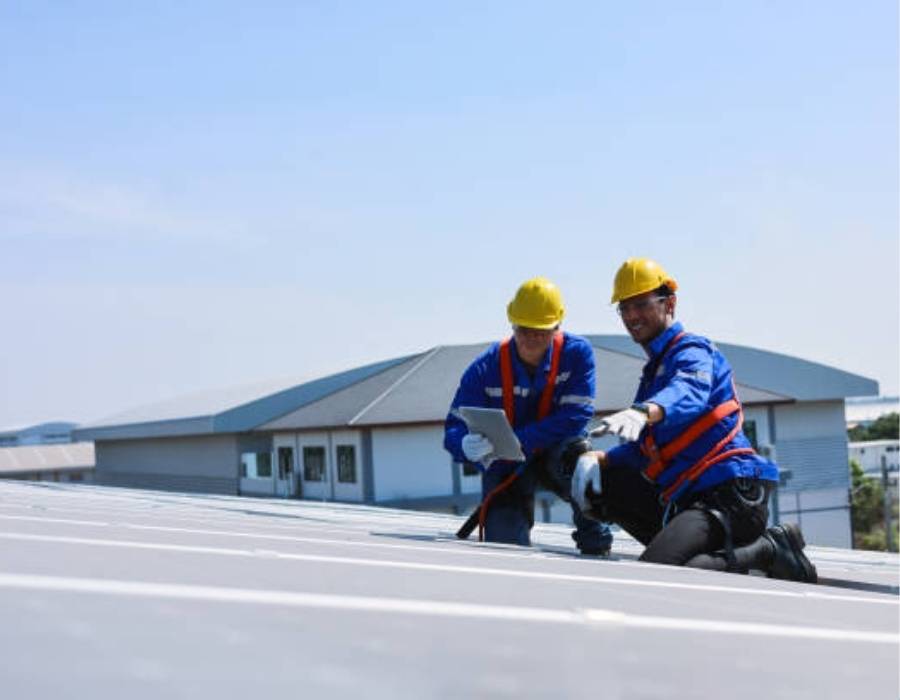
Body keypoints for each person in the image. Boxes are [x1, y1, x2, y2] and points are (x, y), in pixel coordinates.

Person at [569, 258, 817, 582]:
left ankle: (769, 548)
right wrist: (598, 458)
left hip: (729, 498)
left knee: (668, 572)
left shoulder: (692, 351)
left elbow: (689, 391)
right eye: (624, 308)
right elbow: (648, 450)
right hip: (685, 501)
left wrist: (646, 411)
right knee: (602, 479)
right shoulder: (655, 371)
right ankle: (692, 548)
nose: (631, 316)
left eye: (641, 304)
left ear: (669, 302)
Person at [444, 277, 613, 553]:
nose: (531, 338)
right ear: (512, 324)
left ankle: (596, 542)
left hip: (556, 453)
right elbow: (454, 425)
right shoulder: (485, 367)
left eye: (541, 331)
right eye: (524, 329)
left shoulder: (576, 354)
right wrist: (463, 445)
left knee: (580, 460)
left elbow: (576, 416)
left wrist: (517, 439)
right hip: (506, 464)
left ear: (557, 327)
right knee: (505, 547)